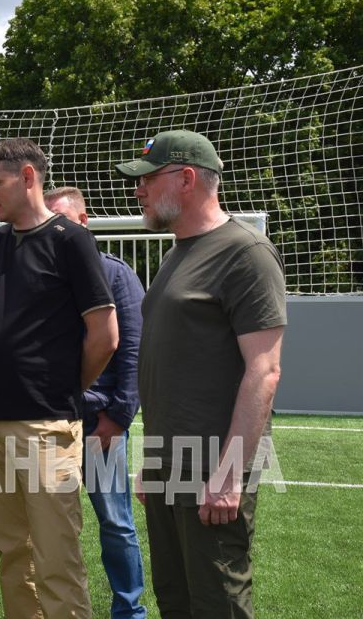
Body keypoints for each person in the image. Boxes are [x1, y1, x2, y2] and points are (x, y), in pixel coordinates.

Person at [0, 139, 119, 619]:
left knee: (57, 557)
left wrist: (65, 388)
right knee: (13, 552)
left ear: (28, 177)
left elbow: (106, 335)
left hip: (47, 427)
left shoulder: (71, 240)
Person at [114, 129, 286, 618]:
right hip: (170, 465)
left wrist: (230, 476)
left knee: (217, 602)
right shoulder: (175, 253)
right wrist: (154, 461)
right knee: (175, 599)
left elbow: (265, 370)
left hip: (212, 468)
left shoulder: (245, 254)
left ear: (186, 178)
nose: (138, 189)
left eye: (148, 179)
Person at [44, 186, 147, 619]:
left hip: (98, 425)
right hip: (49, 425)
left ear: (83, 223)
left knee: (115, 523)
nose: (55, 232)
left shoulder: (115, 273)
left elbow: (134, 350)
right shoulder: (42, 275)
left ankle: (129, 611)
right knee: (49, 528)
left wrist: (119, 418)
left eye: (63, 222)